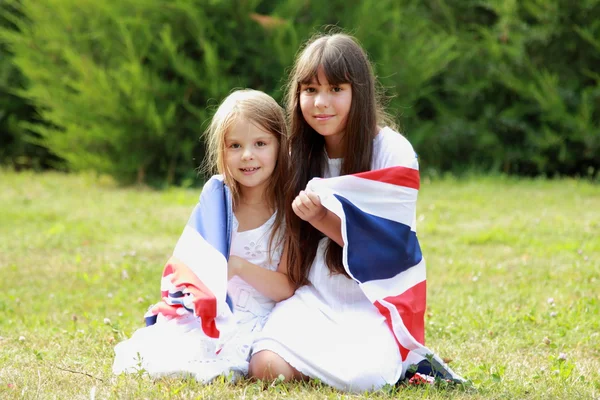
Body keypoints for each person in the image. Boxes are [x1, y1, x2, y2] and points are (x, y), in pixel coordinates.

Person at [248, 33, 453, 392]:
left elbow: (391, 250)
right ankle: (337, 364)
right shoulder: (297, 153)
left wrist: (321, 218)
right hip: (315, 297)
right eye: (310, 90)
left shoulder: (393, 152)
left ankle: (399, 361)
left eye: (336, 89)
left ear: (358, 93)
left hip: (373, 301)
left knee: (367, 381)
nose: (321, 103)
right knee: (264, 366)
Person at [112, 89, 294, 381]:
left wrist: (237, 266)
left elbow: (287, 287)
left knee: (226, 366)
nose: (247, 155)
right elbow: (188, 260)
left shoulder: (288, 209)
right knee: (164, 358)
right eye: (235, 145)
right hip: (213, 308)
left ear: (280, 144)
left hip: (260, 314)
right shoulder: (218, 198)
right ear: (222, 152)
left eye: (260, 143)